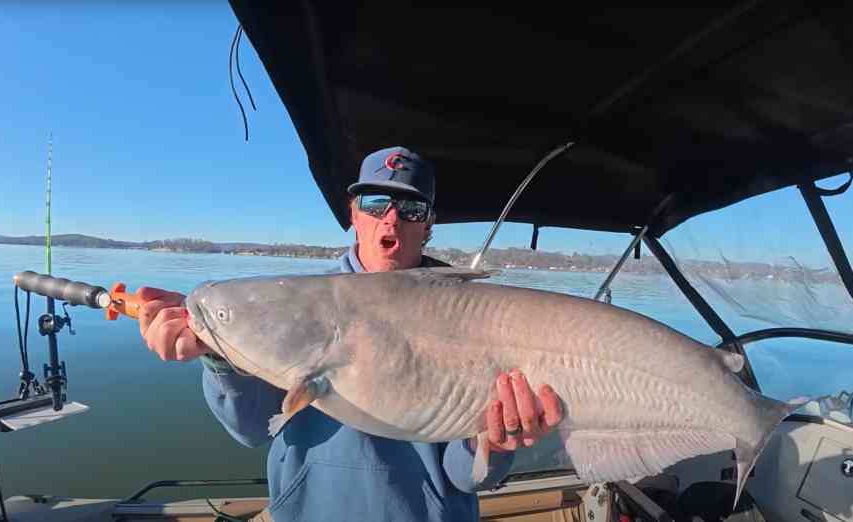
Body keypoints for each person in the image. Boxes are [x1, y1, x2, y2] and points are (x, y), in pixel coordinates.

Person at [136, 146, 565, 521]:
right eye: (376, 203)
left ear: (428, 225)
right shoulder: (294, 310)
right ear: (354, 214)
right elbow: (251, 428)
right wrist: (217, 355)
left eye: (411, 209)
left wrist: (495, 443)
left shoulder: (474, 316)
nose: (391, 221)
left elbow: (463, 477)